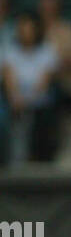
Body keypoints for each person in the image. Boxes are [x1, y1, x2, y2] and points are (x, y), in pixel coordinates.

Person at [0, 9, 61, 164]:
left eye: (29, 29)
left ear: (36, 30)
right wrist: (15, 98)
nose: (25, 33)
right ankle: (10, 162)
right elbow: (8, 79)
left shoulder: (47, 50)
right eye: (22, 29)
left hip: (39, 99)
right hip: (14, 100)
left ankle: (41, 160)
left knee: (42, 116)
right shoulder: (9, 50)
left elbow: (43, 84)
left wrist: (27, 101)